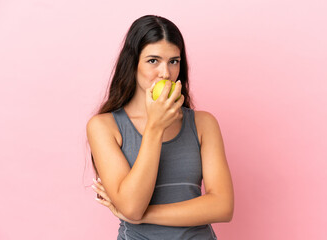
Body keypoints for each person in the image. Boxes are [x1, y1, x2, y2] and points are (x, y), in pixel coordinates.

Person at [86, 15, 234, 240]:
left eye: (173, 61)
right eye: (153, 60)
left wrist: (143, 216)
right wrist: (155, 127)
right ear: (133, 63)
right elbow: (132, 206)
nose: (165, 73)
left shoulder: (203, 123)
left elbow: (223, 206)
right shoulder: (104, 126)